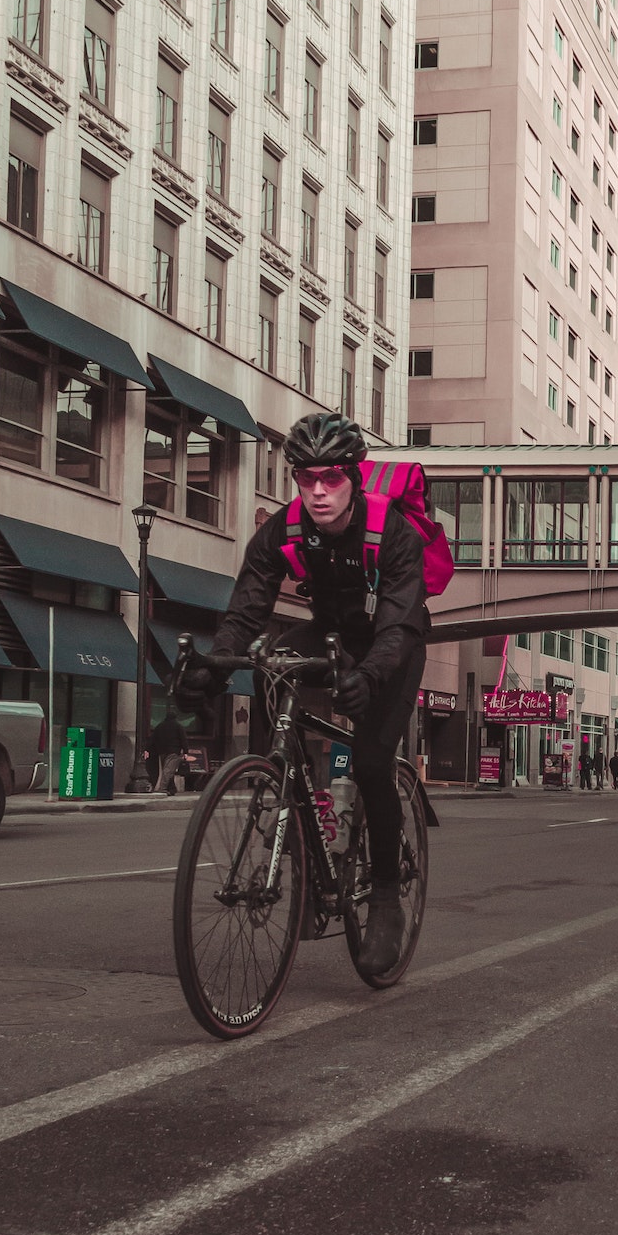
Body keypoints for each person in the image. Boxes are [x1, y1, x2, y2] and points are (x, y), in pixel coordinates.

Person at [173, 412, 428, 977]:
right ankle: (283, 783)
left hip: (392, 644)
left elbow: (399, 626)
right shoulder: (282, 530)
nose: (317, 491)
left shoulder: (394, 533)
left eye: (331, 478)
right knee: (270, 665)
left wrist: (370, 677)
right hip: (331, 633)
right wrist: (214, 669)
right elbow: (247, 610)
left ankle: (385, 893)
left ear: (354, 477)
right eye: (304, 478)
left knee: (368, 763)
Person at [148, 709, 187, 796]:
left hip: (162, 751)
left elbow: (153, 739)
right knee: (169, 770)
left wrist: (148, 749)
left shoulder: (159, 726)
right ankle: (163, 788)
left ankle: (172, 789)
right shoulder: (178, 726)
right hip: (173, 751)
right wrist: (185, 751)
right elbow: (183, 739)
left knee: (168, 770)